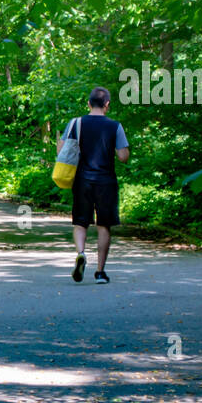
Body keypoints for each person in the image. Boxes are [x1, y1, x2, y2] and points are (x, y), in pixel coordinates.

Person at [59, 86, 130, 284]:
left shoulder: (76, 123)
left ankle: (81, 253)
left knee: (80, 222)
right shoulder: (115, 126)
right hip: (106, 181)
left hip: (82, 180)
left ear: (88, 104)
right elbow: (123, 156)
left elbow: (61, 150)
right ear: (107, 105)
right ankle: (100, 272)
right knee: (104, 225)